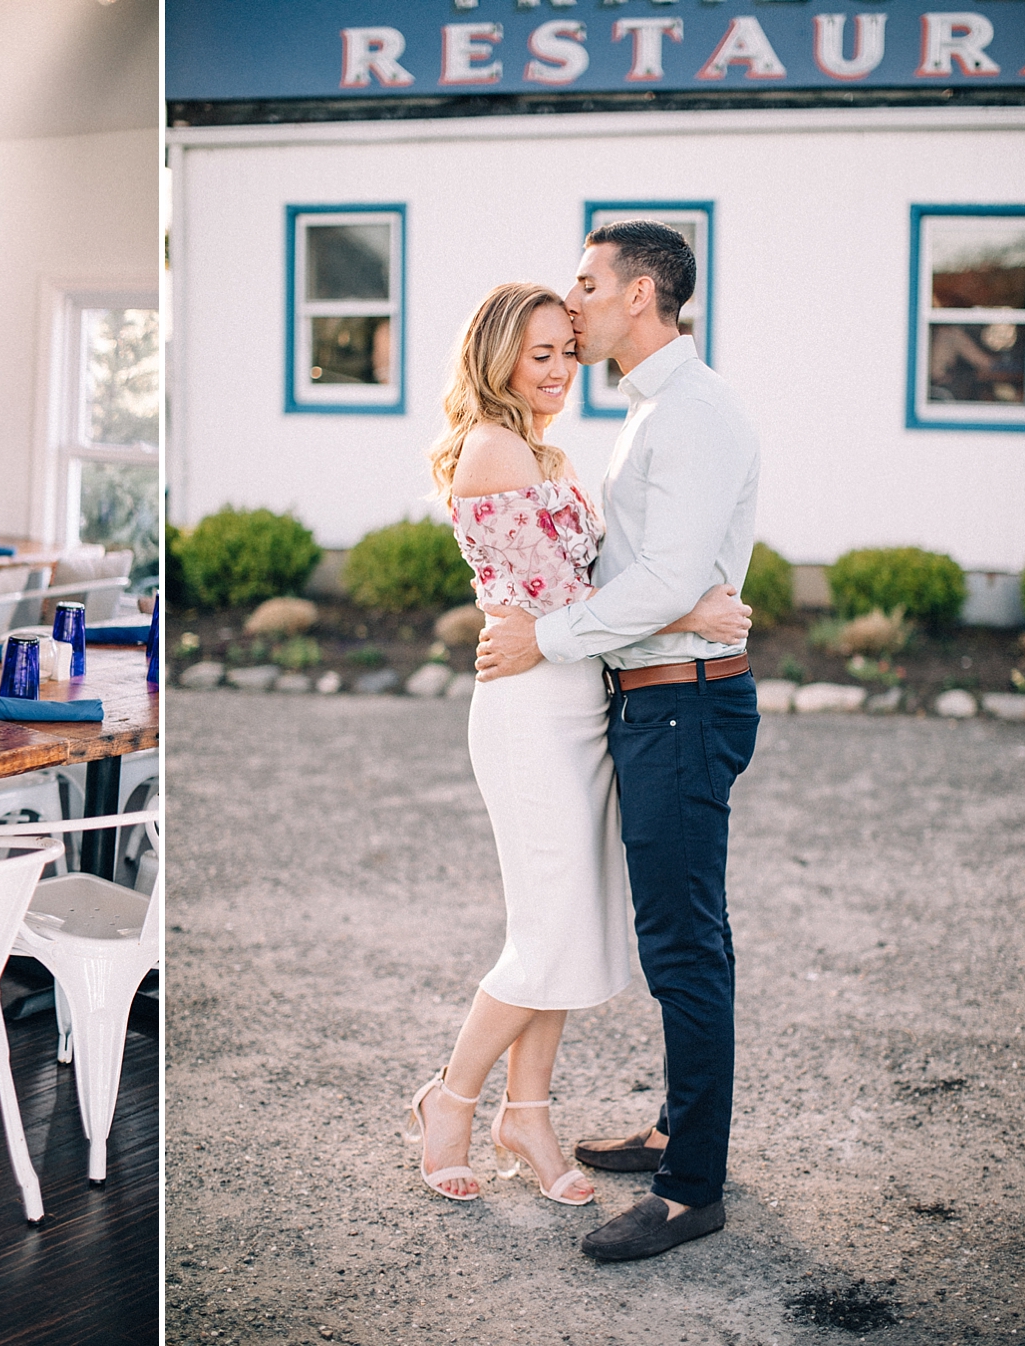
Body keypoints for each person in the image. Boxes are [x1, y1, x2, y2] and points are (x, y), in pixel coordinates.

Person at [405, 280, 750, 1213]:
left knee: (558, 927)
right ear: (497, 359)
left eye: (566, 349)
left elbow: (586, 581)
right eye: (540, 354)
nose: (560, 370)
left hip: (576, 706)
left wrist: (673, 601)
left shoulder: (535, 447)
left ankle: (529, 1115)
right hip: (527, 715)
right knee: (550, 931)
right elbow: (567, 598)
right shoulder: (491, 448)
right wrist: (691, 606)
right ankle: (452, 1096)